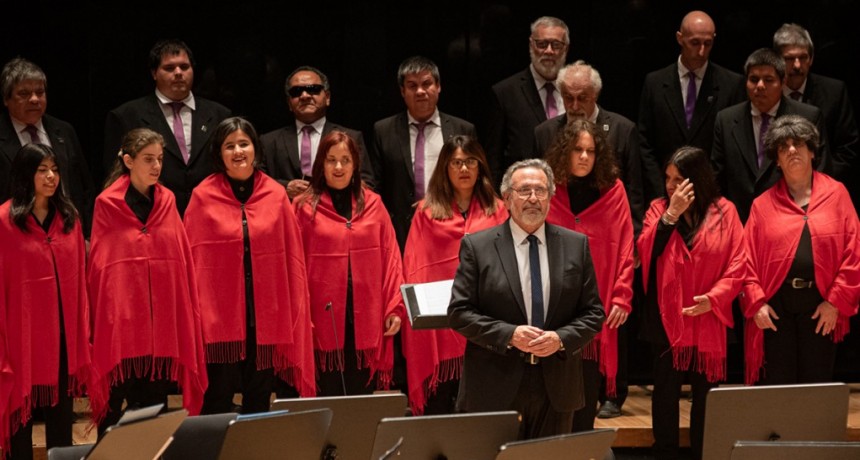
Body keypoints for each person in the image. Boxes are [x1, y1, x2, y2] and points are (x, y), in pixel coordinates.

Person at [448, 158, 605, 439]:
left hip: (556, 386)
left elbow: (593, 314)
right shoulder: (478, 247)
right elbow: (460, 312)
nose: (533, 198)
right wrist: (510, 334)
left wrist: (560, 339)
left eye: (541, 191)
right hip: (495, 384)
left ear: (550, 198)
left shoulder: (575, 245)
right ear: (507, 198)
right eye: (524, 191)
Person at [184, 117, 315, 415]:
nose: (238, 151)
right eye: (230, 146)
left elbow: (291, 257)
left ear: (256, 149)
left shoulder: (275, 194)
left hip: (265, 318)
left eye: (244, 144)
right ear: (219, 154)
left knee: (259, 398)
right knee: (217, 398)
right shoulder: (202, 197)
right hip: (219, 321)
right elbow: (191, 261)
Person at [88, 128, 207, 434]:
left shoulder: (167, 200)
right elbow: (103, 266)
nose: (156, 166)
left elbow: (177, 257)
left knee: (153, 406)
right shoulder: (107, 203)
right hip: (122, 322)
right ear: (128, 160)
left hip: (159, 323)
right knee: (113, 408)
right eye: (148, 159)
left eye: (159, 159)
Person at [637, 146, 745, 460]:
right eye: (667, 178)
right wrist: (671, 215)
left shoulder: (725, 211)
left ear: (697, 180)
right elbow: (646, 252)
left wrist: (714, 299)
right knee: (666, 393)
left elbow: (739, 263)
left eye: (679, 179)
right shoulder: (659, 209)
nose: (670, 185)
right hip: (667, 316)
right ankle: (665, 452)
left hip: (710, 316)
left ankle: (705, 453)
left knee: (706, 396)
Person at [742, 115, 860, 386]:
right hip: (777, 309)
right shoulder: (762, 205)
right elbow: (744, 261)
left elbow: (855, 253)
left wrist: (834, 302)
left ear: (812, 152)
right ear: (777, 161)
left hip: (821, 307)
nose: (792, 150)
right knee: (779, 386)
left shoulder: (837, 194)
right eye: (783, 148)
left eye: (798, 144)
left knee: (815, 385)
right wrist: (757, 303)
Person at [401, 135, 508, 415]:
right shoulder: (426, 212)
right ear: (445, 168)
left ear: (480, 166)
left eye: (470, 161)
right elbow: (414, 264)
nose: (464, 169)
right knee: (440, 404)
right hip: (440, 323)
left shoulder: (497, 210)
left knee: (478, 406)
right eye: (456, 163)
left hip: (484, 320)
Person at [294, 130, 404, 395]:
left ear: (356, 164)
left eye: (345, 159)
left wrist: (394, 307)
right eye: (331, 160)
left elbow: (391, 259)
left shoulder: (375, 205)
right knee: (326, 396)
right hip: (321, 319)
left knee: (360, 395)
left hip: (365, 317)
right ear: (320, 164)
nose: (339, 167)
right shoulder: (303, 207)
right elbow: (292, 265)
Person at [0, 144, 91, 458]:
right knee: (20, 415)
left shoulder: (69, 219)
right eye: (42, 170)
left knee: (61, 417)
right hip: (21, 336)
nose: (52, 176)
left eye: (55, 169)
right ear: (26, 174)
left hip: (62, 336)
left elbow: (78, 281)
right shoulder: (4, 221)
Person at [544, 119, 634, 431]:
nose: (584, 156)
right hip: (552, 306)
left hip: (596, 303)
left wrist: (623, 295)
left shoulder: (614, 190)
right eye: (577, 150)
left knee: (585, 389)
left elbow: (625, 246)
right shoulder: (548, 189)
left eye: (591, 151)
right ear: (564, 152)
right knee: (553, 394)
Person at [103, 39, 231, 216]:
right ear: (154, 73)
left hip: (211, 216)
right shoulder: (126, 116)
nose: (178, 73)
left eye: (184, 67)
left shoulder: (220, 115)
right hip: (150, 218)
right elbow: (115, 179)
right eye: (169, 68)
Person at [711, 48, 829, 223]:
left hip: (792, 220)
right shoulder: (726, 119)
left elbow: (820, 174)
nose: (760, 86)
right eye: (753, 79)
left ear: (783, 82)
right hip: (739, 221)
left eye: (768, 80)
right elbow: (717, 177)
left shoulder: (808, 116)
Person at [371, 55, 477, 250]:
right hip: (399, 230)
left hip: (450, 224)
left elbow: (473, 180)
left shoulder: (462, 129)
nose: (420, 91)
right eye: (412, 86)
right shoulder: (383, 130)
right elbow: (375, 184)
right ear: (402, 91)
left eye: (426, 84)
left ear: (438, 87)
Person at [638, 10, 745, 201]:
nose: (702, 50)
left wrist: (708, 189)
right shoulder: (654, 82)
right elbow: (645, 143)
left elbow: (732, 148)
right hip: (664, 193)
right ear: (680, 38)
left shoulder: (732, 84)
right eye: (695, 43)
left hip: (712, 195)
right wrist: (662, 189)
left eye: (708, 43)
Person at [534, 61, 644, 234]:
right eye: (568, 98)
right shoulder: (544, 133)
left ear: (595, 95)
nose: (575, 106)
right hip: (560, 229)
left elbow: (634, 189)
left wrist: (636, 236)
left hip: (607, 228)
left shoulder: (623, 129)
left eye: (582, 98)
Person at [1, 58, 95, 236]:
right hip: (14, 235)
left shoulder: (64, 131)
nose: (35, 99)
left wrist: (87, 235)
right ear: (6, 99)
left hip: (67, 233)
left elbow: (84, 188)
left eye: (40, 92)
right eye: (24, 94)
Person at [773, 23, 859, 208]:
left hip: (825, 192)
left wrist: (821, 182)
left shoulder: (834, 91)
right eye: (789, 59)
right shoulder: (767, 94)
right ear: (777, 61)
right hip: (776, 192)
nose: (797, 65)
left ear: (811, 59)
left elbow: (848, 147)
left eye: (803, 58)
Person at [260, 66, 374, 199]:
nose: (304, 96)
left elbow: (368, 185)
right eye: (296, 91)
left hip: (335, 216)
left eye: (313, 89)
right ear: (289, 103)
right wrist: (284, 188)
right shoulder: (268, 142)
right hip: (285, 215)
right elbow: (257, 183)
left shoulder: (351, 137)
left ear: (327, 97)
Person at [485, 16, 569, 183]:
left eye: (556, 45)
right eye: (542, 44)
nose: (549, 51)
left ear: (566, 48)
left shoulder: (575, 90)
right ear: (531, 45)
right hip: (521, 193)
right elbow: (493, 158)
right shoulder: (505, 92)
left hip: (567, 195)